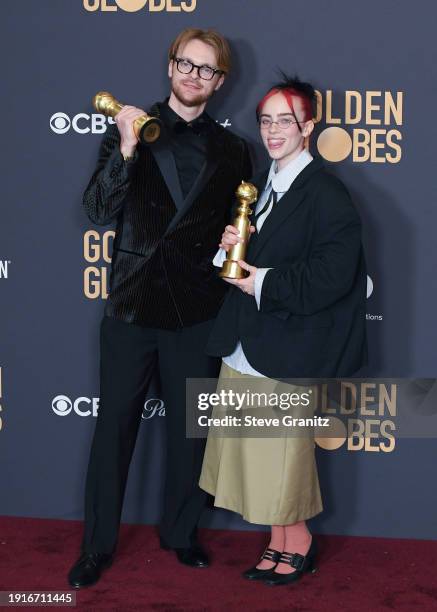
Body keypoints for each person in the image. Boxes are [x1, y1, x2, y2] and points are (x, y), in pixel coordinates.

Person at [68, 27, 252, 589]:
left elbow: (241, 229)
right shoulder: (128, 126)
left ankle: (181, 533)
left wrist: (232, 239)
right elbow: (98, 210)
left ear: (220, 83)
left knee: (190, 435)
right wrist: (125, 146)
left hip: (196, 311)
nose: (195, 76)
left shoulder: (234, 149)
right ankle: (97, 545)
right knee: (113, 432)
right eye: (187, 64)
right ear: (170, 66)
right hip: (131, 307)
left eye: (207, 70)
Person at [199, 75, 367, 586]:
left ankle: (300, 543)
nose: (273, 131)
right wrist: (232, 247)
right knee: (256, 452)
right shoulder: (262, 185)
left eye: (285, 121)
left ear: (308, 126)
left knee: (282, 456)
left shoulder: (326, 192)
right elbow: (246, 260)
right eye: (266, 121)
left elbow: (334, 275)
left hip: (288, 346)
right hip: (245, 343)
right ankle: (279, 541)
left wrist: (262, 282)